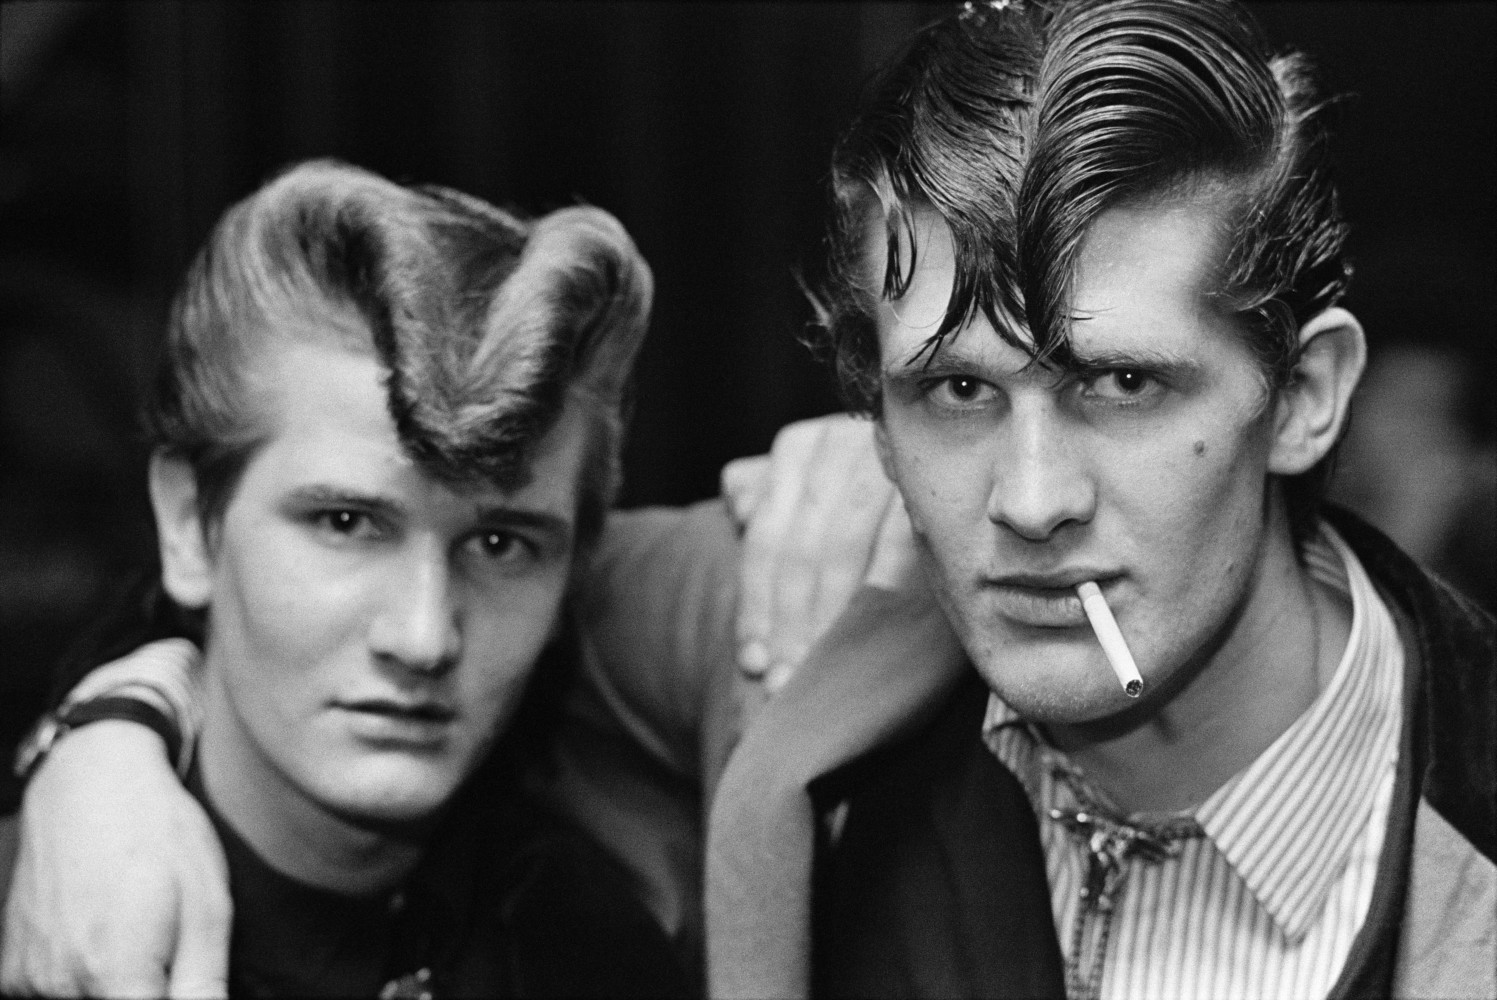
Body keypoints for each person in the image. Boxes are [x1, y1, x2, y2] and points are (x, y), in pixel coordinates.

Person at [6, 1, 1495, 998]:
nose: (1033, 501)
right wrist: (103, 744)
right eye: (956, 392)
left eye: (1122, 384)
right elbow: (360, 590)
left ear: (1307, 395)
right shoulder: (798, 609)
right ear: (871, 416)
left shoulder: (1463, 851)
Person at [0, 158, 691, 998]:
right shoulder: (40, 923)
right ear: (188, 524)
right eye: (346, 523)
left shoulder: (596, 955)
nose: (423, 638)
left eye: (500, 544)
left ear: (575, 564)